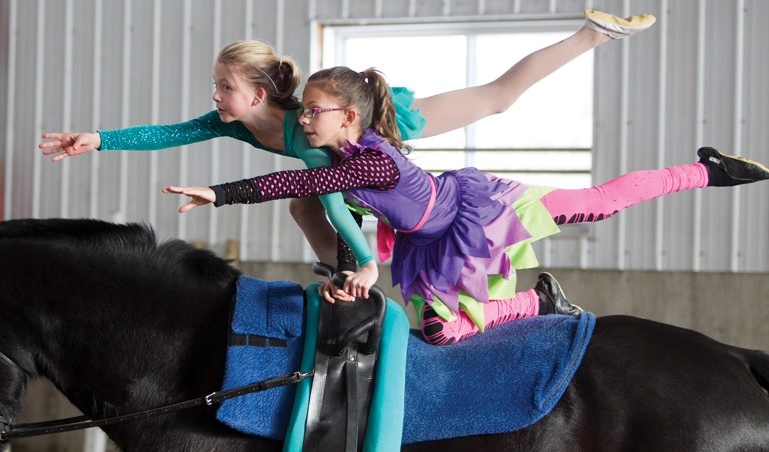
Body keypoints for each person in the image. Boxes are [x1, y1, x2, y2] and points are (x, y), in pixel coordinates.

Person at [38, 10, 656, 291]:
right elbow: (169, 132)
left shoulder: (308, 138)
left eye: (224, 88)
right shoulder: (233, 121)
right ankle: (343, 273)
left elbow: (333, 203)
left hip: (386, 131)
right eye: (215, 88)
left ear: (256, 93)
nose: (215, 97)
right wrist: (99, 138)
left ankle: (590, 35)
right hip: (356, 157)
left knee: (496, 98)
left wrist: (364, 262)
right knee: (303, 208)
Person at [163, 66, 769, 345]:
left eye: (312, 112)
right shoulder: (336, 162)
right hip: (429, 245)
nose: (303, 121)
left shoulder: (370, 158)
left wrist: (217, 193)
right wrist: (356, 266)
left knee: (597, 205)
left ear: (348, 116)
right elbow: (309, 200)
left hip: (476, 210)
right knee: (440, 333)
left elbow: (280, 189)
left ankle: (704, 169)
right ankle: (541, 301)